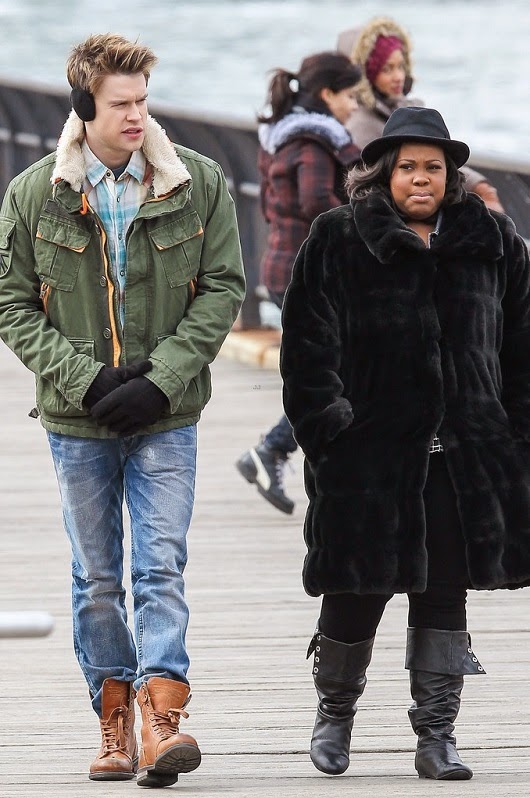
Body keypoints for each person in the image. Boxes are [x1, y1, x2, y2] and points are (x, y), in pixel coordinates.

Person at [0, 34, 245, 788]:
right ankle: (113, 720)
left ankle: (162, 718)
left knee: (160, 566)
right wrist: (86, 381)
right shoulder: (34, 194)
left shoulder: (198, 182)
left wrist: (162, 379)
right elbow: (11, 303)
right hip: (78, 422)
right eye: (121, 104)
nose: (137, 115)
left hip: (167, 416)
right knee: (98, 577)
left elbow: (224, 288)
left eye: (143, 100)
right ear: (85, 105)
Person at [280, 106, 530, 780]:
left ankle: (437, 735)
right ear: (385, 172)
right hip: (367, 457)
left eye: (434, 168)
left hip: (465, 460)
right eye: (409, 167)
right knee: (355, 591)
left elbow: (522, 347)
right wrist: (330, 431)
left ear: (451, 176)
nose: (422, 178)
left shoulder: (493, 242)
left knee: (445, 597)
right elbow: (306, 349)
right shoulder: (339, 237)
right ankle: (335, 714)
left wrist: (516, 436)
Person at [235, 51, 361, 515]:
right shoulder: (312, 142)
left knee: (334, 372)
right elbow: (314, 202)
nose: (354, 106)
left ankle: (286, 455)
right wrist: (367, 225)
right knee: (339, 374)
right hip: (309, 275)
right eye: (350, 96)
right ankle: (275, 450)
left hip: (286, 268)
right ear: (328, 94)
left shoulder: (281, 138)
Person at [337, 16, 505, 212]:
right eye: (387, 69)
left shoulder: (403, 109)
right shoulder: (361, 125)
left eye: (401, 66)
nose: (398, 76)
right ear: (369, 75)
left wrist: (479, 185)